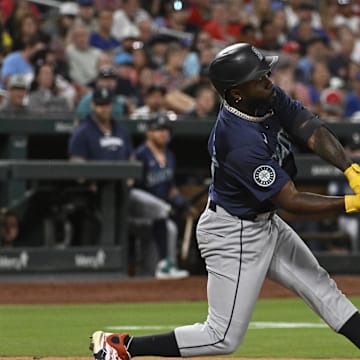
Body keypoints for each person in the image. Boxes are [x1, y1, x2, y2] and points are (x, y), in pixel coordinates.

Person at [89, 43, 360, 360]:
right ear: (236, 94)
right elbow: (291, 200)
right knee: (222, 337)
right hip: (234, 234)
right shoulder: (237, 140)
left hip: (265, 223)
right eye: (258, 77)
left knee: (322, 288)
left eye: (265, 73)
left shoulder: (265, 99)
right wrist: (352, 203)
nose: (267, 80)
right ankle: (121, 346)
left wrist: (351, 169)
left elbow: (308, 127)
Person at [130, 113, 191, 278]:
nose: (163, 133)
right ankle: (164, 265)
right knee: (161, 209)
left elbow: (170, 188)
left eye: (166, 130)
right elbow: (130, 185)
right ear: (148, 132)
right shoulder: (140, 154)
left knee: (170, 227)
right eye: (158, 130)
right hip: (137, 207)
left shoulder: (170, 155)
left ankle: (166, 266)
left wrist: (180, 200)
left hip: (159, 214)